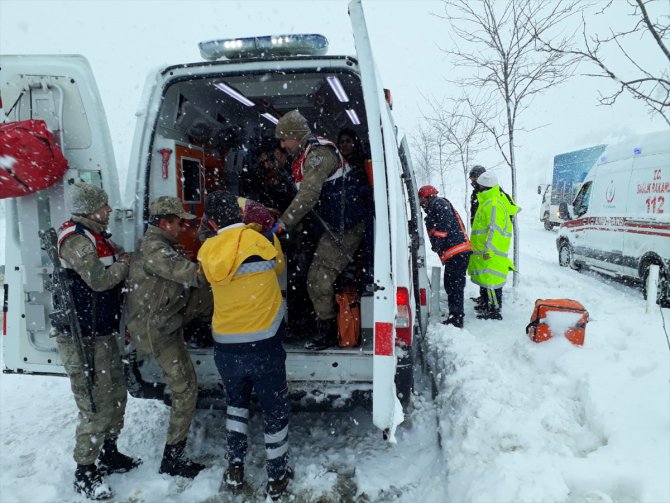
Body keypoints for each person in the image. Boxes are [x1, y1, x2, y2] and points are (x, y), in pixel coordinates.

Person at [197, 191, 292, 500]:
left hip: (226, 348)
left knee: (236, 404)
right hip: (264, 344)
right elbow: (279, 267)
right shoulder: (260, 243)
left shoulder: (207, 251)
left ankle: (235, 466)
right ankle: (276, 477)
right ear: (241, 217)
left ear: (212, 222)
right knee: (274, 408)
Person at [56, 182, 140, 500]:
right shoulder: (75, 238)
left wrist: (125, 259)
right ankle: (85, 471)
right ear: (91, 208)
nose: (108, 211)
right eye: (104, 206)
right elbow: (99, 279)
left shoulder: (97, 236)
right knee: (93, 404)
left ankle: (109, 452)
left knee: (115, 395)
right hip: (81, 338)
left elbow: (114, 262)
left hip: (102, 333)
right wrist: (125, 265)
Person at [125, 196, 213, 478]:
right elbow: (195, 274)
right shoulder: (156, 250)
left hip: (167, 319)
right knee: (186, 389)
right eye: (179, 223)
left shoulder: (159, 244)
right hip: (160, 332)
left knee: (206, 297)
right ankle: (172, 458)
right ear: (164, 223)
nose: (182, 228)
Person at [274, 110, 372, 350]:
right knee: (310, 276)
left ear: (296, 136)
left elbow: (308, 195)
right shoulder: (303, 155)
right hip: (332, 225)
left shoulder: (319, 155)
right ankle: (319, 324)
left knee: (318, 280)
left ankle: (328, 333)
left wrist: (283, 224)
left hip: (345, 227)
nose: (282, 144)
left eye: (284, 139)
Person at [418, 185, 472, 328]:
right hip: (456, 253)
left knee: (455, 286)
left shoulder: (439, 204)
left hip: (457, 252)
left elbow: (443, 226)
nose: (422, 204)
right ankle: (455, 316)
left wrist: (437, 243)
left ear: (428, 197)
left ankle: (457, 319)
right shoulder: (435, 207)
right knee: (452, 285)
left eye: (422, 201)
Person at [467, 171, 519, 320]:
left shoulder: (493, 204)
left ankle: (494, 311)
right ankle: (485, 304)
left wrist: (488, 249)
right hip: (485, 249)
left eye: (479, 186)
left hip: (491, 251)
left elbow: (494, 230)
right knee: (485, 278)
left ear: (485, 187)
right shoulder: (488, 201)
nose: (477, 188)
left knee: (491, 281)